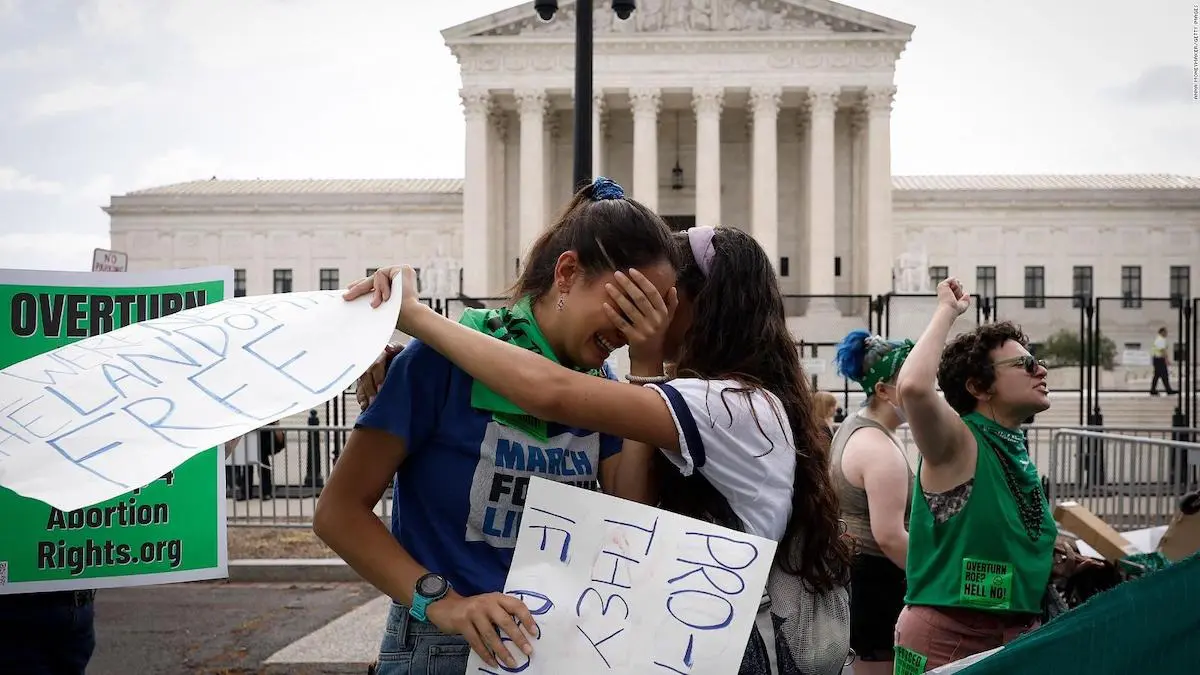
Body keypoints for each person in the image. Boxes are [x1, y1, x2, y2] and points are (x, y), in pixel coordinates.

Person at [351, 224, 854, 675]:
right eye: (639, 296)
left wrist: (420, 320)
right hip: (514, 640)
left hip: (702, 642)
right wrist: (438, 604)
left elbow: (554, 395)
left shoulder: (727, 403)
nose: (645, 316)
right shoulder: (685, 398)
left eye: (661, 298)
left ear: (701, 306)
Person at [313, 177, 680, 674]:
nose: (634, 329)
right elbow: (338, 511)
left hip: (551, 645)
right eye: (629, 306)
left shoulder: (605, 385)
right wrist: (444, 604)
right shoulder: (438, 361)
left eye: (652, 313)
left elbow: (630, 513)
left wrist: (647, 359)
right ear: (567, 273)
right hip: (443, 646)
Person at [893, 277, 1057, 670]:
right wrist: (947, 311)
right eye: (1026, 364)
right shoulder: (960, 441)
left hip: (1014, 636)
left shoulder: (1011, 444)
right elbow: (914, 387)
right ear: (978, 387)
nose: (1042, 369)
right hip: (951, 641)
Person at [829, 330, 915, 675]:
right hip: (878, 585)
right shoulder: (877, 448)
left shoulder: (856, 426)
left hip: (863, 580)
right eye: (911, 381)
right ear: (883, 390)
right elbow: (890, 538)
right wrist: (941, 580)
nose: (923, 388)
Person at [1150, 326, 1174, 396]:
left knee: (1157, 375)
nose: (1167, 333)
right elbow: (1162, 350)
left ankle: (1153, 390)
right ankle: (1168, 390)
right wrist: (1166, 360)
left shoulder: (1158, 339)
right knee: (1164, 375)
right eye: (1166, 332)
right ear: (1162, 332)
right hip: (1159, 359)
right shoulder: (1161, 339)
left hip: (1157, 359)